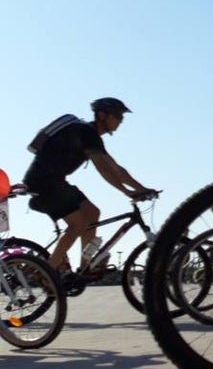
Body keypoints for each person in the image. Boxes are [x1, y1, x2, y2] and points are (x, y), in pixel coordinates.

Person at [23, 98, 156, 275]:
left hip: (55, 182)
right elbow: (103, 169)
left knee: (93, 213)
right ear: (102, 115)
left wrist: (141, 189)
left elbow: (114, 167)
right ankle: (47, 271)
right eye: (118, 116)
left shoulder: (90, 134)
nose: (120, 121)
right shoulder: (86, 132)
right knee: (78, 225)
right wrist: (126, 191)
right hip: (44, 183)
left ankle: (86, 266)